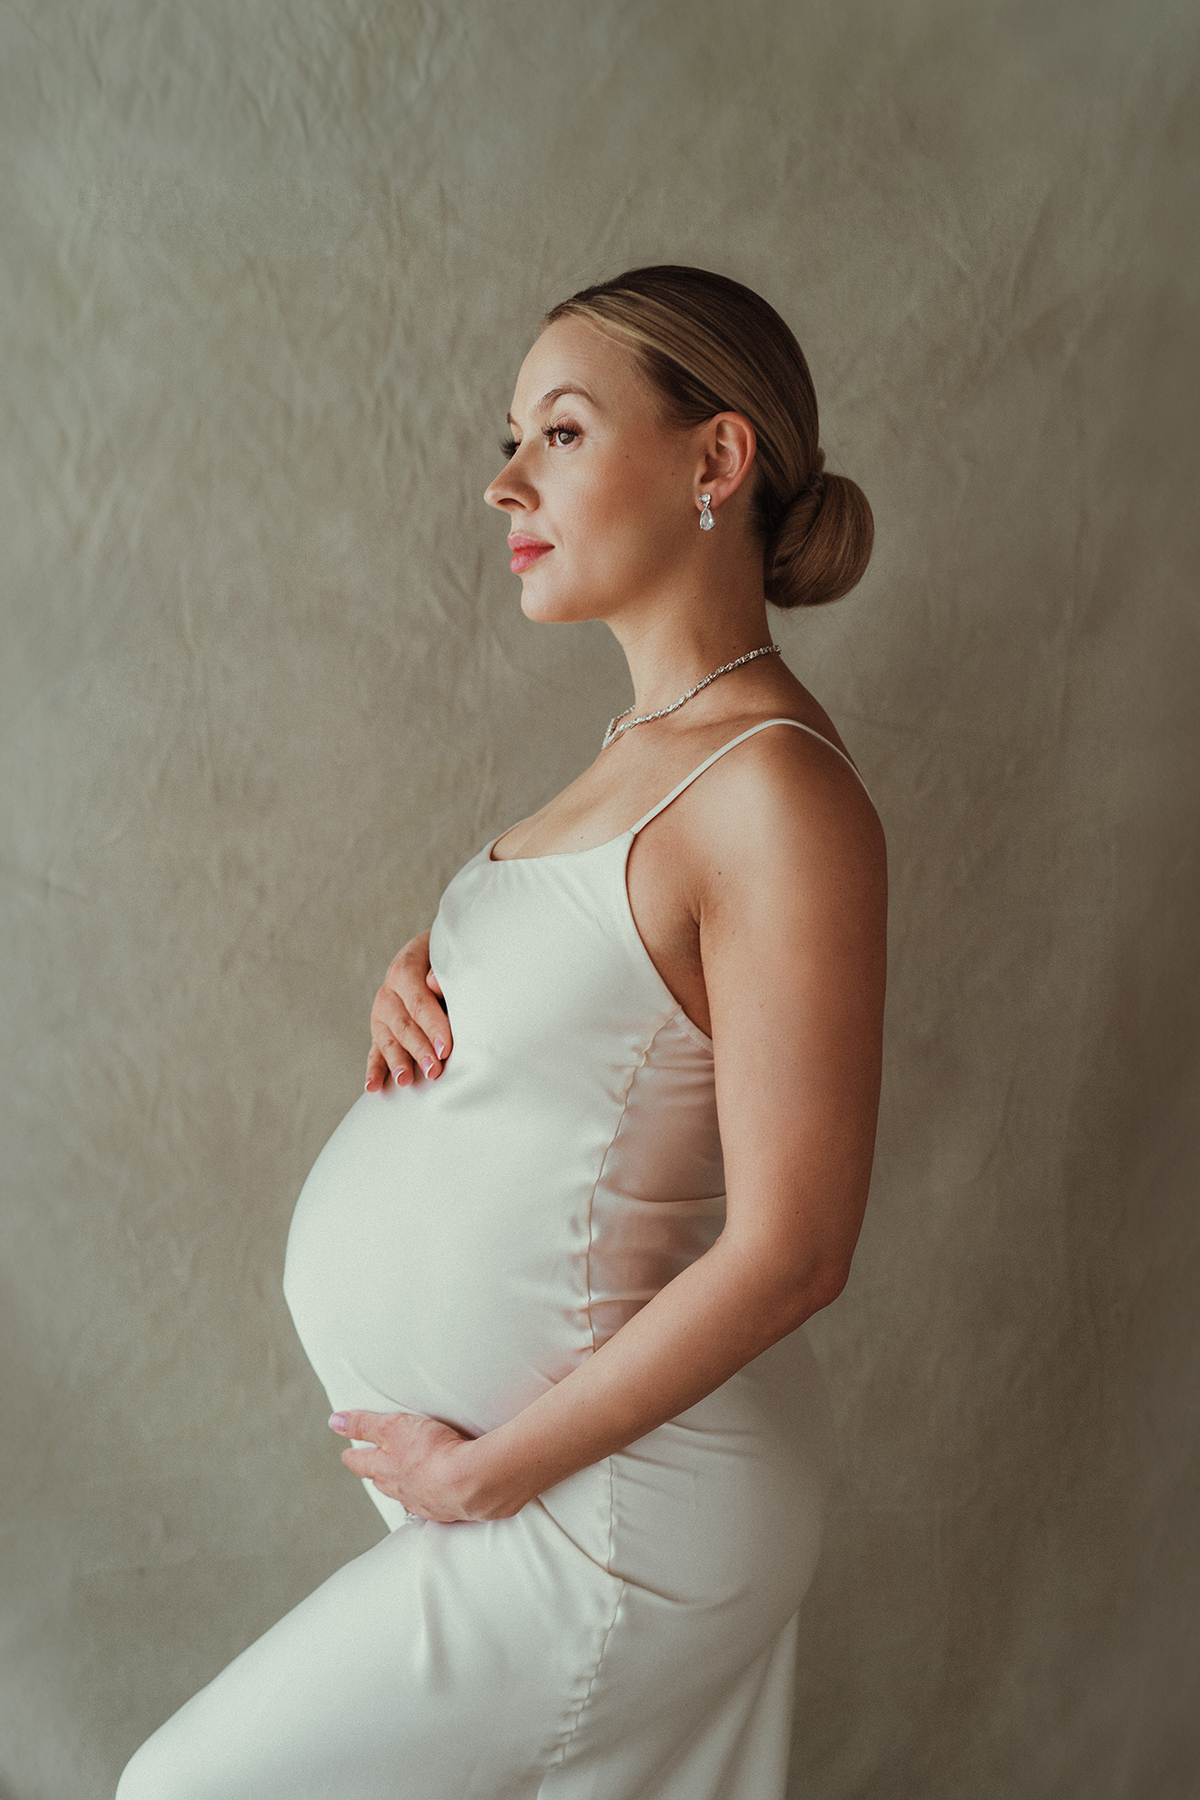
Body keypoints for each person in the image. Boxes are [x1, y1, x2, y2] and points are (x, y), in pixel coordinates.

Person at [117, 264, 886, 1800]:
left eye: (561, 433)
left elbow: (799, 1245)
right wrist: (425, 975)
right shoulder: (640, 753)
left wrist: (493, 1469)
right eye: (512, 436)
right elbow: (609, 1011)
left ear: (714, 461)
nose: (503, 480)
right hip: (548, 1486)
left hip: (613, 1512)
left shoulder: (776, 791)